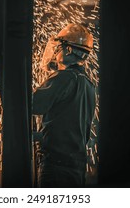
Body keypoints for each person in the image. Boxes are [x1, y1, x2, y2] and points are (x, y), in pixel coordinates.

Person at [32, 22, 96, 188]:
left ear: (68, 50)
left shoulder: (63, 78)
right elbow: (68, 128)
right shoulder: (89, 84)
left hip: (56, 168)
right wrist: (40, 136)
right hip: (76, 168)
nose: (55, 51)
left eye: (58, 47)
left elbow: (33, 105)